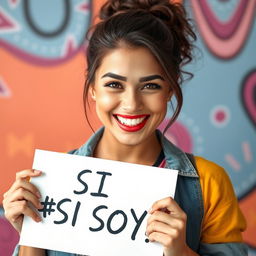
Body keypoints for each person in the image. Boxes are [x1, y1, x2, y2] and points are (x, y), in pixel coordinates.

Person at [3, 0, 247, 255]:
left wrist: (181, 252)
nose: (131, 104)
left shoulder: (208, 183)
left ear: (170, 90)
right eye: (114, 85)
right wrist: (32, 232)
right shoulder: (50, 184)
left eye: (150, 85)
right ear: (93, 88)